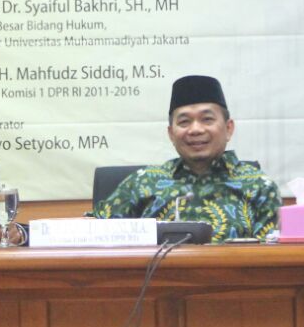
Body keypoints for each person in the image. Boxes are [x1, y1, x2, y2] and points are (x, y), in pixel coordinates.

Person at [94, 74, 282, 242]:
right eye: (184, 122)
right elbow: (94, 234)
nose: (195, 130)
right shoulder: (142, 182)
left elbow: (271, 257)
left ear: (228, 128)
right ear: (171, 133)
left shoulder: (259, 187)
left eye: (207, 119)